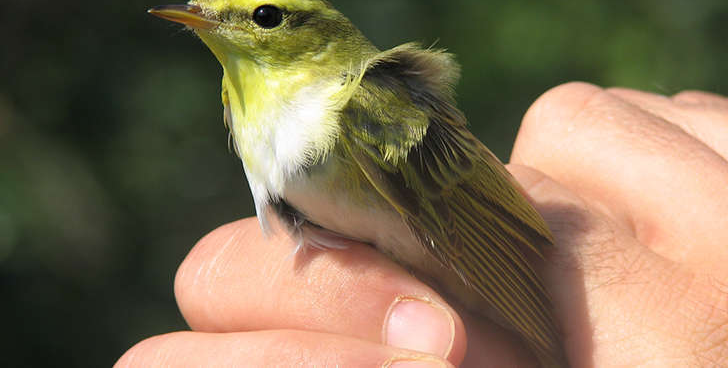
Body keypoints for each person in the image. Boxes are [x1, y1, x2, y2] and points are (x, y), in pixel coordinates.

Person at [115, 83, 728, 367]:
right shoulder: (258, 128)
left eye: (268, 17)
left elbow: (476, 227)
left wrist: (547, 333)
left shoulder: (363, 106)